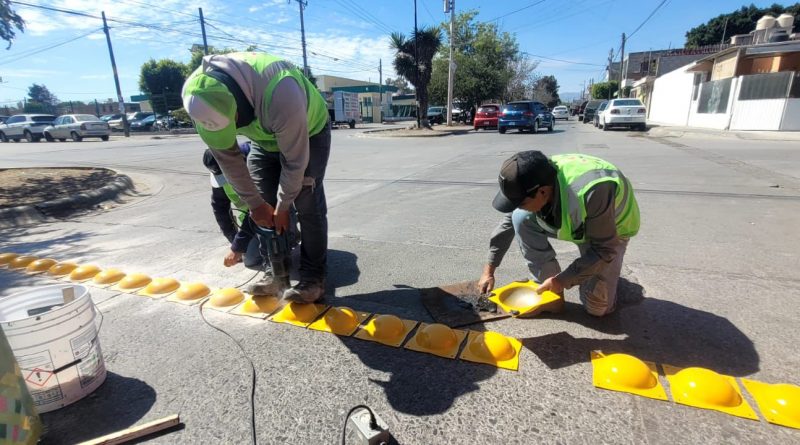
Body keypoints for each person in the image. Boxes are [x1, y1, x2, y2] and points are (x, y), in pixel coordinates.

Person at [182, 51, 330, 303]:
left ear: (239, 102)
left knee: (306, 202)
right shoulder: (198, 101)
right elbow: (229, 161)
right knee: (263, 205)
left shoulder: (281, 91)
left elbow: (295, 162)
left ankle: (313, 279)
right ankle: (276, 275)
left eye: (234, 122)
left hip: (308, 132)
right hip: (262, 140)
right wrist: (256, 205)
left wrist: (284, 206)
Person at [478, 151, 640, 316]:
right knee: (519, 217)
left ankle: (606, 276)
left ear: (542, 192)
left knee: (597, 308)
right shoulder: (535, 175)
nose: (519, 206)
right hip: (574, 223)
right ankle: (551, 295)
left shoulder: (594, 190)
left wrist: (563, 280)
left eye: (522, 202)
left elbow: (604, 249)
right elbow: (507, 224)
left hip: (609, 232)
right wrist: (488, 271)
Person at [202, 143, 264, 269]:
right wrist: (234, 242)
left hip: (274, 215)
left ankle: (290, 236)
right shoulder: (220, 174)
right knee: (250, 259)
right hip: (252, 222)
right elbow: (221, 211)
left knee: (271, 254)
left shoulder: (256, 164)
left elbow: (260, 207)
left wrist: (237, 247)